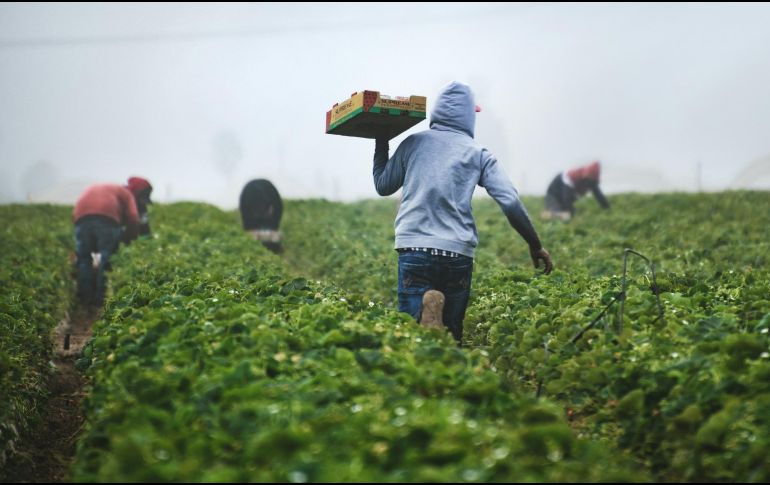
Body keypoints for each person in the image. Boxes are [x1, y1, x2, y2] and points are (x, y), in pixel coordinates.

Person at [372, 81, 553, 344]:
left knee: (411, 339)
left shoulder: (413, 143)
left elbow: (382, 186)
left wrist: (381, 142)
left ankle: (425, 316)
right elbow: (510, 201)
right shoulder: (479, 154)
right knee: (452, 338)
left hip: (415, 248)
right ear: (470, 116)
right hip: (457, 252)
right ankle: (444, 344)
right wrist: (535, 244)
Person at [72, 177, 149, 306]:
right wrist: (129, 238)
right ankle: (101, 300)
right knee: (107, 257)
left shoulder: (105, 189)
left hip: (80, 216)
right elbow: (134, 219)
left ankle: (84, 298)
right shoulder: (127, 194)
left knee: (84, 257)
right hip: (106, 217)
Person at [543, 160, 610, 220]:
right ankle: (545, 215)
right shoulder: (571, 177)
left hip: (566, 195)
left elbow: (598, 195)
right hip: (553, 194)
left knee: (566, 213)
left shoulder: (592, 180)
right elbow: (567, 199)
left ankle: (558, 212)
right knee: (562, 215)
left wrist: (607, 209)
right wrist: (571, 216)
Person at [239, 179, 283, 253]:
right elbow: (246, 218)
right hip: (251, 210)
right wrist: (250, 229)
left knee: (272, 235)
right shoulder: (246, 199)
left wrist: (274, 227)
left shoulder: (272, 196)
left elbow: (278, 209)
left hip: (268, 206)